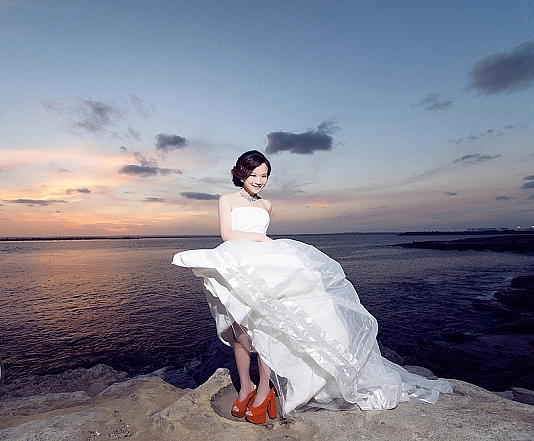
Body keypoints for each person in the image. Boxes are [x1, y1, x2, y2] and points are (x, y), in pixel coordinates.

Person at [172, 150, 452, 423]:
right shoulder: (227, 199)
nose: (259, 180)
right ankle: (246, 387)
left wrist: (265, 243)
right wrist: (262, 240)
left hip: (267, 265)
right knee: (239, 330)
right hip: (237, 263)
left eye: (264, 175)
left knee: (267, 329)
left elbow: (259, 235)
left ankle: (265, 390)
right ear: (242, 173)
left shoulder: (267, 205)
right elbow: (227, 234)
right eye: (254, 174)